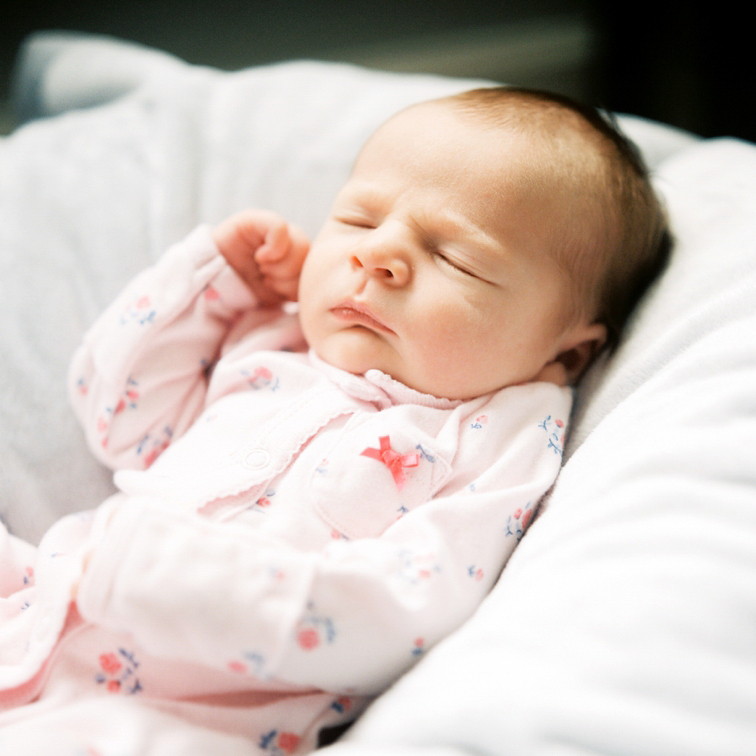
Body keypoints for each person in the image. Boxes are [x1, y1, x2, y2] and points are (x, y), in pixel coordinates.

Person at [0, 87, 669, 754]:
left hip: (174, 713)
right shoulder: (273, 342)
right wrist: (213, 282)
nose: (376, 256)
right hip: (34, 599)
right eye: (357, 220)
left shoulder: (496, 439)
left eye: (455, 257)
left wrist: (164, 580)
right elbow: (120, 422)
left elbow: (403, 608)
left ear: (567, 352)